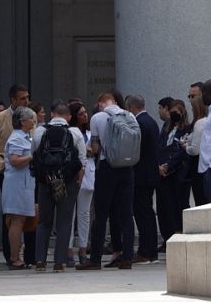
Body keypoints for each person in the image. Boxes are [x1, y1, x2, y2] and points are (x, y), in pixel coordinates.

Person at [78, 91, 135, 270]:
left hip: (107, 166)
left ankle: (95, 259)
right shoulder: (130, 115)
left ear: (101, 103)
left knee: (101, 214)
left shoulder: (98, 118)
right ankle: (127, 257)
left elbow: (95, 147)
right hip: (127, 167)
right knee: (127, 213)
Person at [33, 101, 86, 271]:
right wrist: (77, 182)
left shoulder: (40, 132)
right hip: (67, 182)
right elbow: (81, 162)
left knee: (43, 222)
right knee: (64, 221)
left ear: (52, 114)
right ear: (69, 116)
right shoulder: (75, 133)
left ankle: (40, 260)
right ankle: (59, 262)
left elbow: (34, 156)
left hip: (45, 182)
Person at [0, 83, 30, 264]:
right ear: (13, 100)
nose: (26, 101)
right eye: (22, 98)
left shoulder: (29, 117)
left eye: (27, 97)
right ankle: (10, 253)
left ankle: (25, 252)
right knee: (9, 213)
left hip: (27, 171)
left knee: (26, 213)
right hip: (8, 169)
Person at [124, 93, 161, 262]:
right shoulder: (151, 122)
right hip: (149, 174)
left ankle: (146, 250)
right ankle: (150, 249)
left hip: (141, 175)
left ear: (132, 107)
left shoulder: (139, 123)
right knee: (146, 212)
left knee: (142, 212)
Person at [1, 106, 38, 268]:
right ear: (23, 121)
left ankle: (17, 256)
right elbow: (15, 160)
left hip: (24, 183)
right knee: (17, 220)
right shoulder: (16, 138)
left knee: (22, 219)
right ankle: (15, 257)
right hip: (17, 184)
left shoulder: (24, 137)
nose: (34, 121)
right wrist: (32, 156)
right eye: (31, 119)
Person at [156, 99, 192, 248]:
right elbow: (160, 146)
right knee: (166, 206)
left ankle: (180, 233)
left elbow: (182, 151)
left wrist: (169, 165)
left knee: (179, 204)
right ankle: (168, 237)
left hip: (178, 172)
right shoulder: (166, 127)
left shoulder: (187, 128)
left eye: (178, 111)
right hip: (164, 172)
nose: (175, 114)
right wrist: (160, 165)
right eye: (173, 111)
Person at [69, 100, 96, 265]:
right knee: (70, 213)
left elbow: (96, 149)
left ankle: (83, 247)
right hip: (74, 172)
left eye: (85, 112)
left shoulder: (89, 132)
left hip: (88, 173)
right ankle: (69, 248)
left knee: (84, 214)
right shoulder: (70, 132)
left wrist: (89, 150)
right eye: (81, 113)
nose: (85, 116)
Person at [185, 82, 206, 207]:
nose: (191, 100)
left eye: (194, 96)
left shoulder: (201, 122)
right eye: (190, 97)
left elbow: (195, 149)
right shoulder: (196, 121)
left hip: (200, 166)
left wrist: (186, 146)